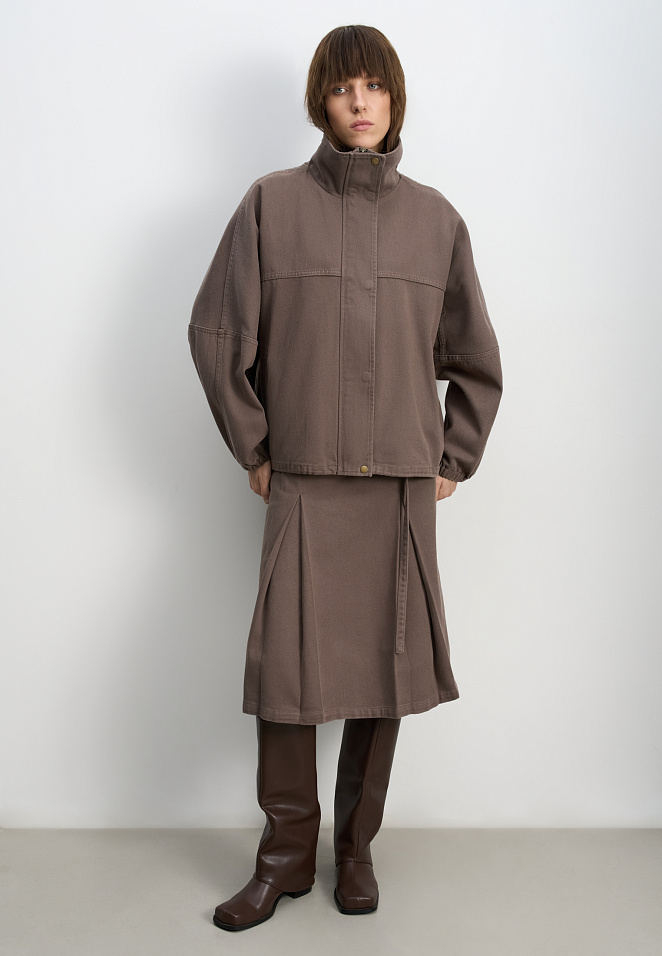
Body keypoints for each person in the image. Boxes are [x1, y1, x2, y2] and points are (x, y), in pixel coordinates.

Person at [188, 24, 502, 932]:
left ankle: (356, 853)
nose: (359, 103)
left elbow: (476, 357)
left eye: (374, 86)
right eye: (341, 88)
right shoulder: (270, 204)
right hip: (306, 481)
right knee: (287, 676)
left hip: (400, 485)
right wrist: (256, 448)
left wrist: (452, 458)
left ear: (395, 99)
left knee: (385, 670)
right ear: (319, 103)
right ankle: (284, 859)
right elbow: (216, 333)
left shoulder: (436, 221)